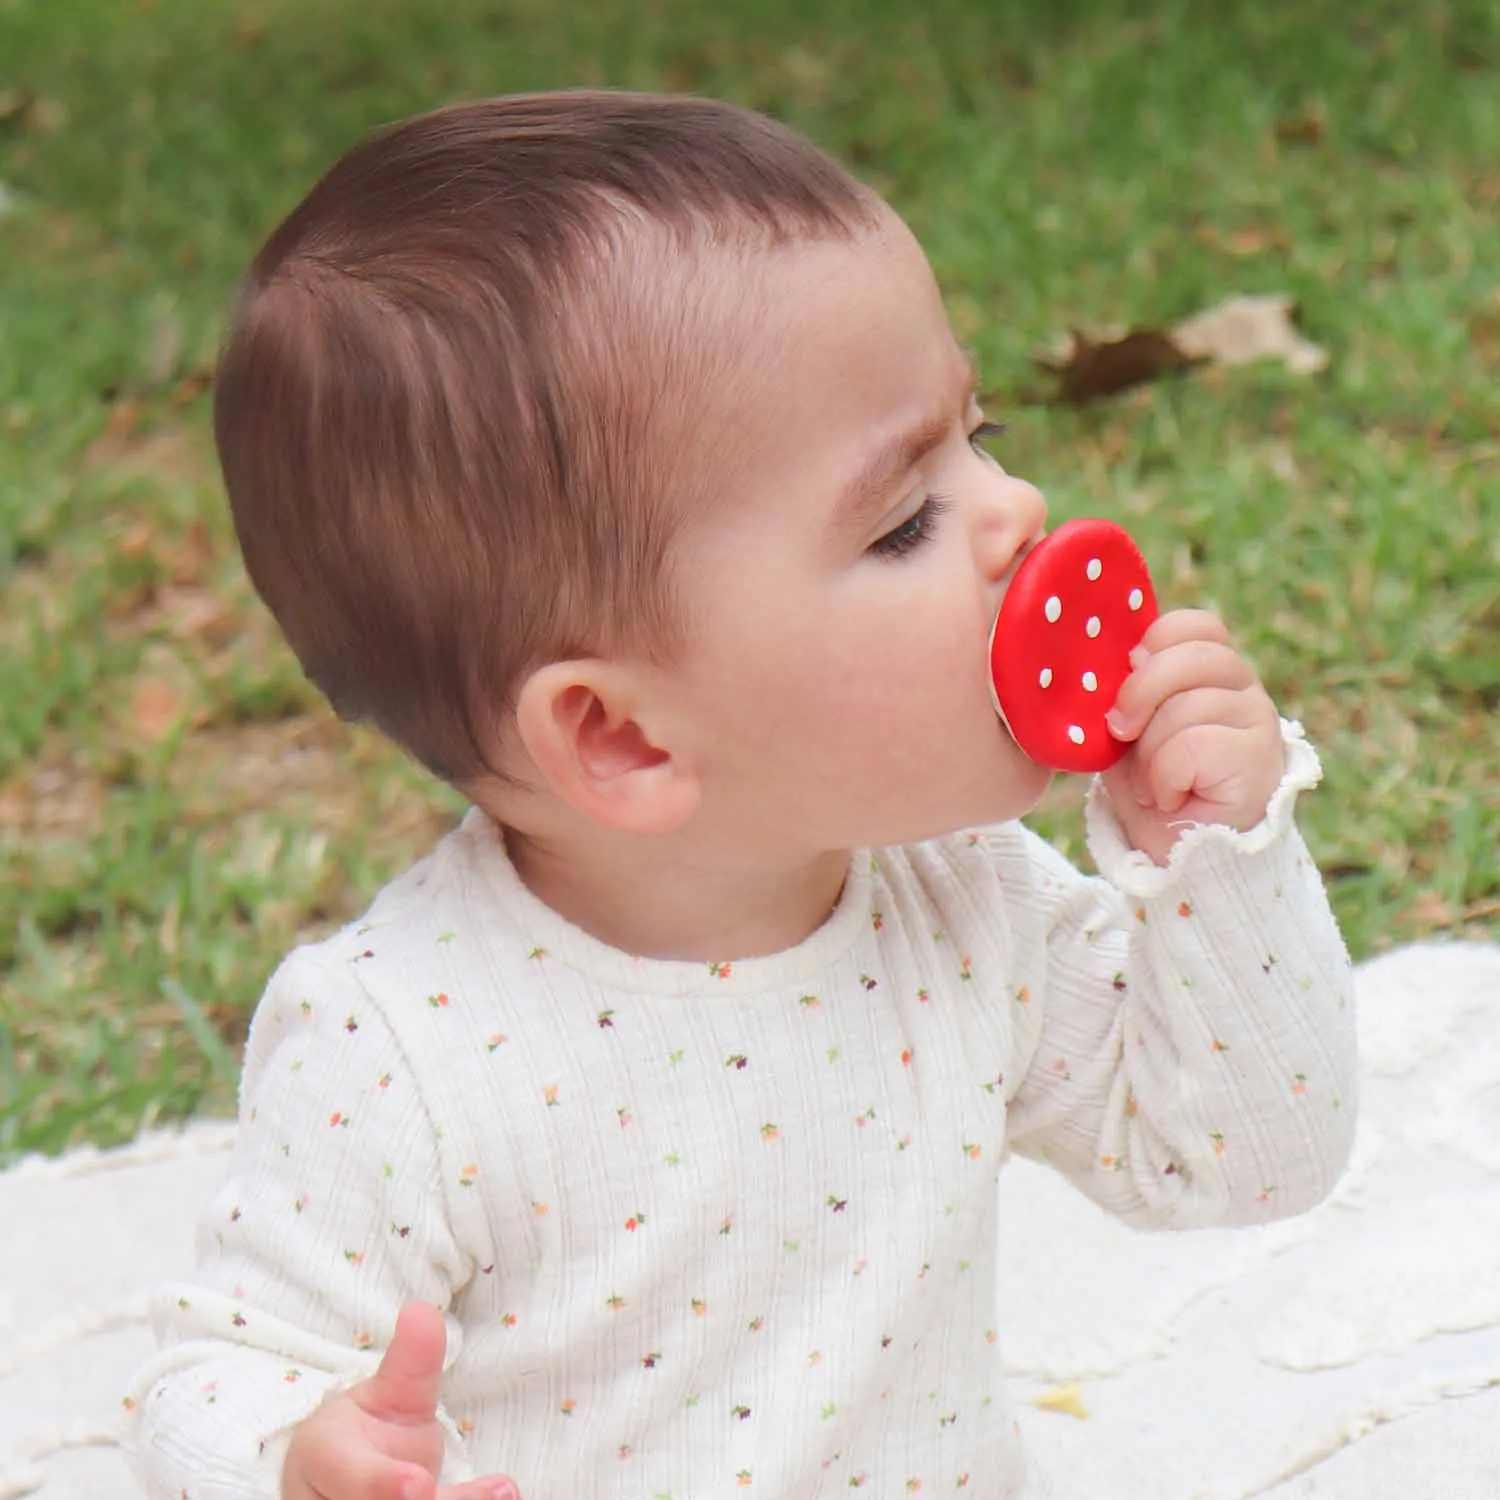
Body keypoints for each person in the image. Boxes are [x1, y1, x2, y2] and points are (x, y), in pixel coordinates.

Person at [124, 91, 1358, 1500]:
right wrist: (297, 1459)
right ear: (626, 739)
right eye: (903, 519)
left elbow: (1247, 1159)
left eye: (983, 429)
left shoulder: (967, 903)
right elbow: (214, 1375)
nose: (1014, 509)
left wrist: (1218, 858)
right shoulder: (403, 1049)